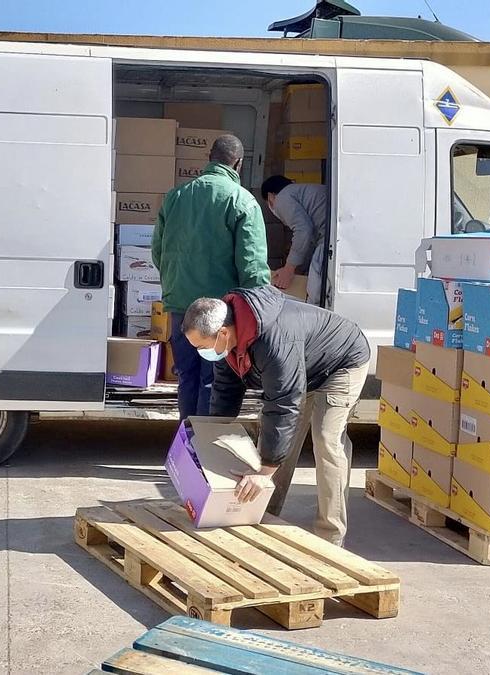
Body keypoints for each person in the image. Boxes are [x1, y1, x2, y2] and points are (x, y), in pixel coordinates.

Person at [181, 286, 370, 546]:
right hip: (302, 368)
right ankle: (265, 514)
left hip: (341, 363)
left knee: (326, 440)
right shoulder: (229, 338)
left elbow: (282, 404)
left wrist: (265, 470)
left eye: (202, 346)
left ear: (222, 333)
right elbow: (225, 390)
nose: (201, 352)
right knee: (276, 443)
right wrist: (210, 439)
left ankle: (331, 537)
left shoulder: (274, 340)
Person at [152, 135, 270, 419]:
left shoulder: (176, 196)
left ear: (209, 157)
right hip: (220, 313)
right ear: (239, 164)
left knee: (187, 378)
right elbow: (252, 265)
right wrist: (264, 309)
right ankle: (205, 450)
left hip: (181, 306)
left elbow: (158, 252)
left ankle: (186, 449)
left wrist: (177, 285)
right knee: (214, 382)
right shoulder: (242, 201)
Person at [260, 176, 328, 303]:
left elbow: (303, 230)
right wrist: (297, 268)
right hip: (333, 237)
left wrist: (289, 269)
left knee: (315, 295)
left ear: (270, 197)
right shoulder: (301, 193)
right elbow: (309, 239)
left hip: (329, 239)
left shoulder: (282, 198)